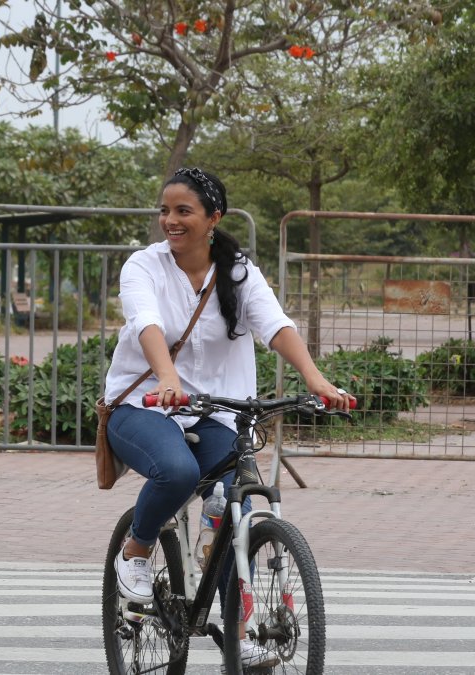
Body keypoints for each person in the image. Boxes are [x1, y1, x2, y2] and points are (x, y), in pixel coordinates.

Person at [105, 167, 354, 668]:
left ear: (213, 218)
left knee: (233, 506)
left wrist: (314, 378)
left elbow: (275, 324)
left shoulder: (238, 271)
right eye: (165, 210)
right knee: (178, 471)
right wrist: (168, 378)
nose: (169, 221)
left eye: (183, 211)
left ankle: (239, 636)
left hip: (220, 411)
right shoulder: (144, 266)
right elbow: (146, 321)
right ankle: (135, 548)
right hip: (144, 406)